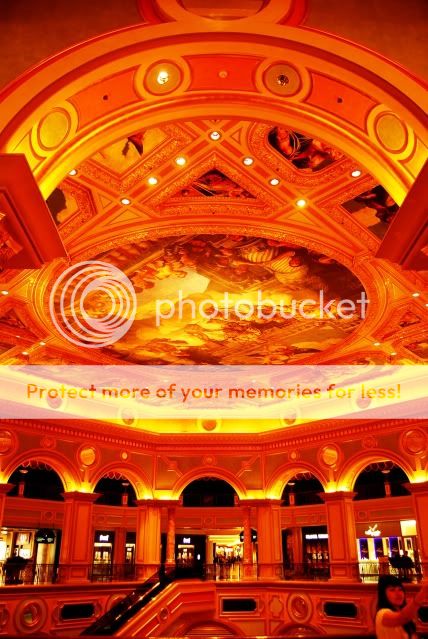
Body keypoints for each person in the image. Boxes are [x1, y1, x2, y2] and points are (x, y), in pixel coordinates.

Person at [375, 575, 428, 639]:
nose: (398, 593)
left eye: (400, 589)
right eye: (392, 590)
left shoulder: (402, 612)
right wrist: (423, 592)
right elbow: (402, 617)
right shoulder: (382, 613)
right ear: (383, 594)